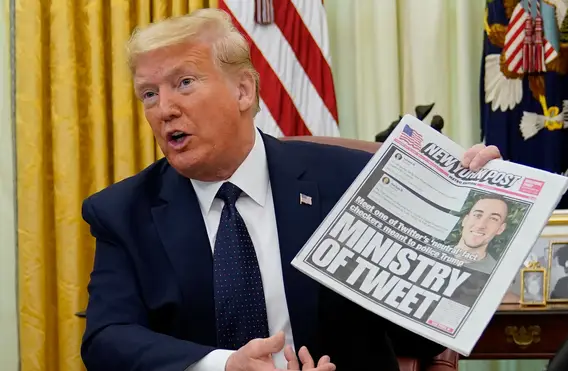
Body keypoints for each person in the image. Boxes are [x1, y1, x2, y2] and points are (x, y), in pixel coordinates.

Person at [79, 8, 504, 371]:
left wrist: (466, 204)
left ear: (243, 90)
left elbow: (421, 338)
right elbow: (105, 337)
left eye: (184, 83)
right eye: (149, 94)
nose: (164, 109)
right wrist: (223, 364)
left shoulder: (356, 182)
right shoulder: (122, 212)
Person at [456, 195, 509, 275]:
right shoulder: (435, 251)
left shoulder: (496, 273)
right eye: (477, 215)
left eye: (493, 219)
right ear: (465, 220)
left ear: (500, 229)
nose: (480, 225)